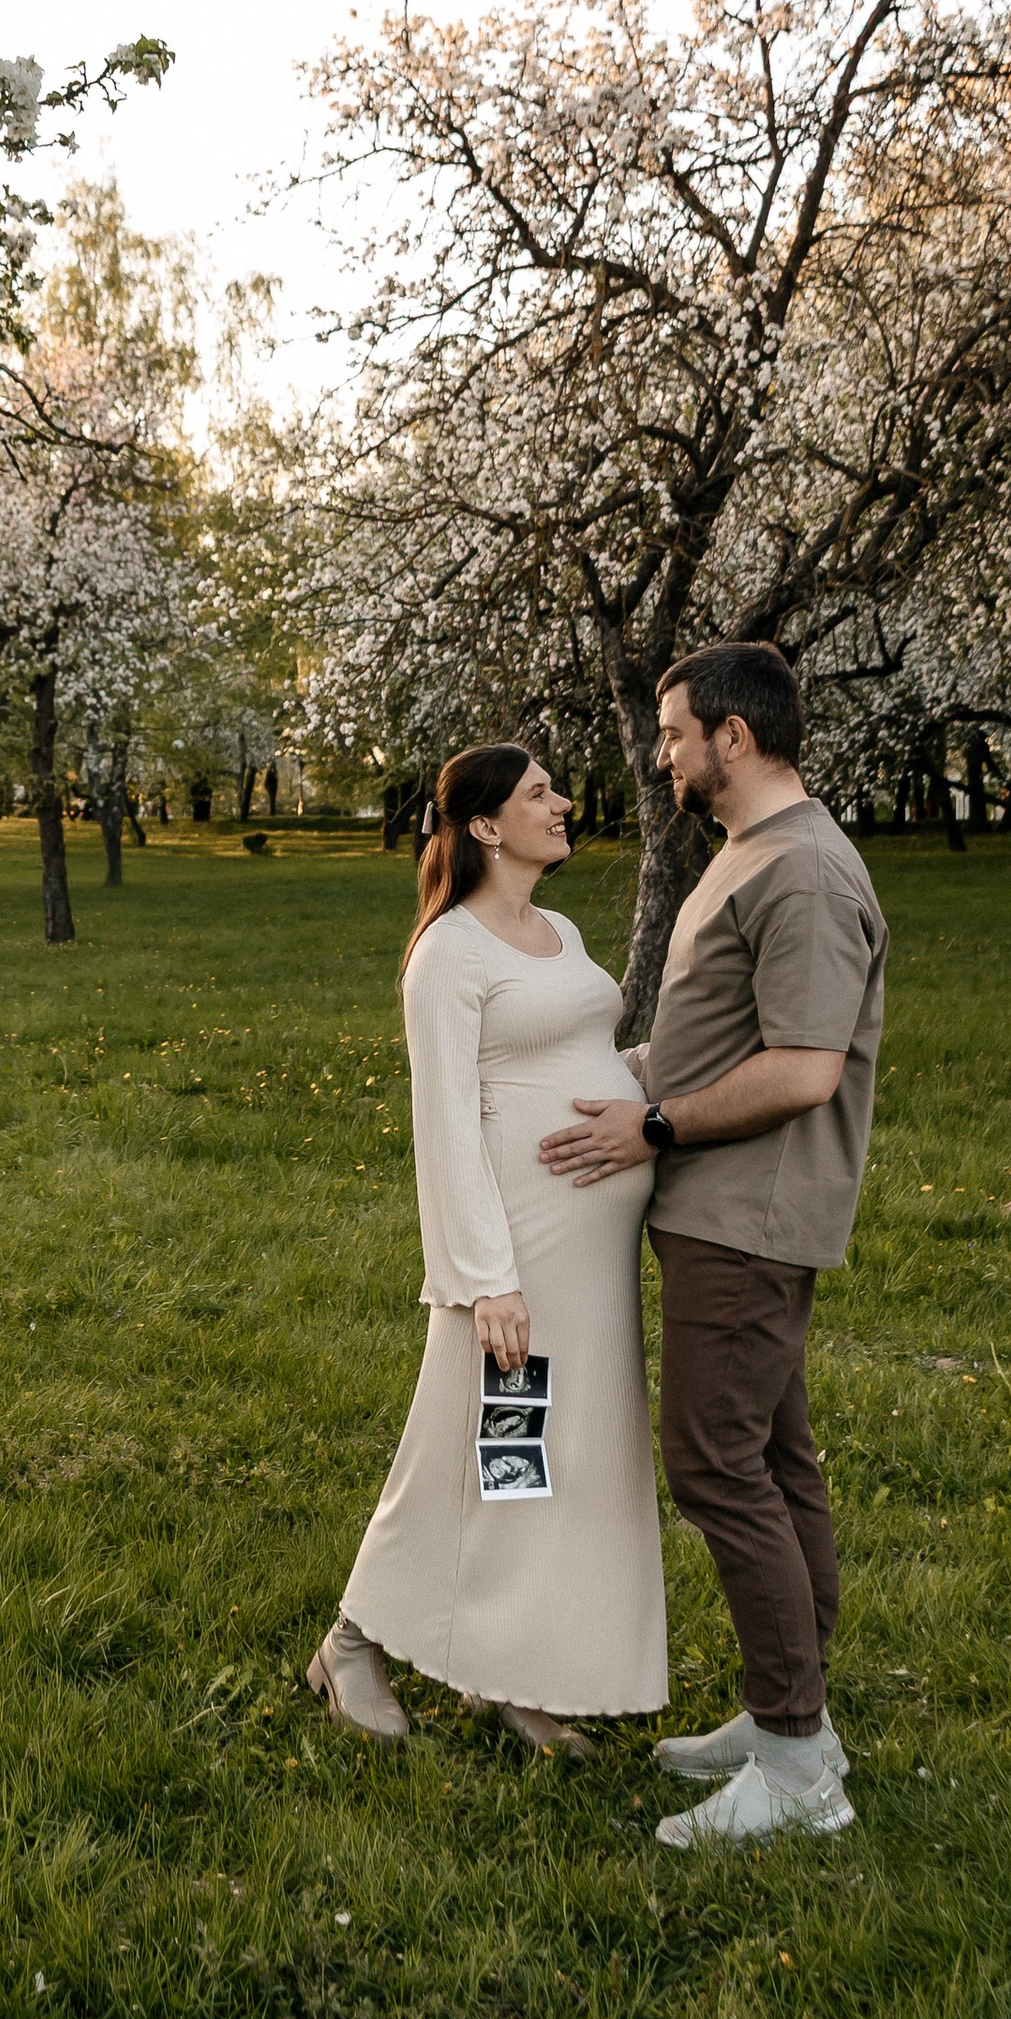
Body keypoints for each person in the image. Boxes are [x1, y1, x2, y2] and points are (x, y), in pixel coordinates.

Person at [542, 641, 886, 1848]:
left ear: (734, 739)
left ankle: (797, 1776)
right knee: (773, 1466)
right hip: (721, 1210)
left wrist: (650, 1123)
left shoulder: (799, 876)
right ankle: (791, 1720)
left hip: (748, 1219)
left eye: (676, 732)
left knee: (714, 1468)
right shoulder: (750, 858)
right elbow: (711, 1041)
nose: (661, 752)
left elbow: (800, 1068)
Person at [310, 743, 667, 1753]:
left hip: (590, 1259)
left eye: (556, 787)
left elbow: (580, 1053)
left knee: (548, 1458)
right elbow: (446, 1128)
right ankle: (351, 1641)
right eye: (538, 794)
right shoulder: (449, 952)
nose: (561, 804)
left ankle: (506, 1668)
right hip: (518, 1255)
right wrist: (486, 1282)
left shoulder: (557, 927)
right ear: (482, 826)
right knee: (476, 1447)